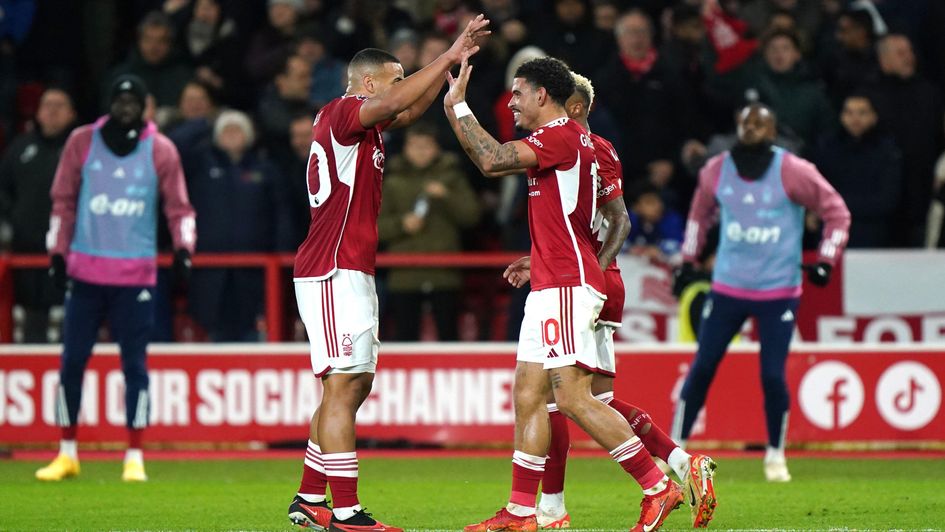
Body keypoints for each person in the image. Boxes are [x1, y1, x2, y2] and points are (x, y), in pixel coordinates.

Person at [445, 56, 683, 532]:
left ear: (542, 96)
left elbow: (492, 161)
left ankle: (658, 486)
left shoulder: (559, 136)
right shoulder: (565, 141)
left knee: (573, 397)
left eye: (517, 93)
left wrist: (457, 107)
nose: (510, 102)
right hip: (552, 280)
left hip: (568, 285)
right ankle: (520, 512)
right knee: (529, 396)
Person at [286, 15, 490, 532]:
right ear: (370, 83)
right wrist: (446, 54)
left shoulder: (358, 123)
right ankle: (348, 513)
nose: (400, 89)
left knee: (350, 386)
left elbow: (407, 108)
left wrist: (449, 86)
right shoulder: (345, 112)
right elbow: (397, 103)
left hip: (346, 266)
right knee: (343, 384)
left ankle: (311, 498)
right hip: (332, 267)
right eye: (395, 78)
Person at [502, 72, 718, 529]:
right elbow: (601, 220)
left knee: (566, 398)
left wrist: (587, 271)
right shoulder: (597, 150)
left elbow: (613, 223)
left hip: (582, 280)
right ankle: (680, 462)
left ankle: (556, 506)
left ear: (573, 106)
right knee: (591, 398)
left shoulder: (579, 145)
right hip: (587, 275)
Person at [671, 104, 850, 482]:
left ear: (773, 131)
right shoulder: (717, 168)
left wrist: (827, 259)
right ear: (737, 127)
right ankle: (675, 451)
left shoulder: (794, 170)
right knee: (702, 366)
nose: (751, 129)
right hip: (727, 286)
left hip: (778, 291)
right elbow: (698, 215)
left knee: (772, 375)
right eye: (745, 122)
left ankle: (775, 455)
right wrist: (688, 259)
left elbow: (837, 212)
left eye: (759, 123)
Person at [35, 75, 195, 482]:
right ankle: (67, 450)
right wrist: (57, 252)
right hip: (85, 272)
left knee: (135, 367)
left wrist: (183, 249)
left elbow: (180, 207)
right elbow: (62, 201)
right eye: (119, 99)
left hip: (135, 274)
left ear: (144, 106)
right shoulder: (81, 142)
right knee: (71, 362)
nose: (125, 107)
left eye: (133, 100)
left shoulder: (160, 150)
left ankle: (134, 455)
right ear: (109, 103)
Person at [184, 110, 293, 341]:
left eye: (238, 129)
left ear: (250, 135)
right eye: (226, 130)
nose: (232, 135)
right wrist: (203, 122)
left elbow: (281, 215)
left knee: (256, 333)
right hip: (211, 272)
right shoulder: (199, 168)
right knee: (213, 336)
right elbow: (177, 146)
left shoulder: (266, 170)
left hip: (256, 272)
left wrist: (282, 256)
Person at [377, 122, 480, 341]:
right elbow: (374, 227)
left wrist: (447, 196)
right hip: (404, 275)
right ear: (405, 148)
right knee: (405, 339)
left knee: (448, 338)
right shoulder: (392, 181)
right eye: (415, 146)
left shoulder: (452, 177)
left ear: (437, 148)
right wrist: (401, 224)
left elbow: (472, 217)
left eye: (426, 146)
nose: (421, 151)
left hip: (444, 274)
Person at [0, 87, 76, 342]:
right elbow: (3, 189)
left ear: (72, 113)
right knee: (31, 316)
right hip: (27, 249)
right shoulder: (20, 148)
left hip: (71, 250)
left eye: (59, 105)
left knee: (71, 316)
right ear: (38, 112)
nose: (52, 111)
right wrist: (14, 218)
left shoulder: (81, 150)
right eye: (47, 105)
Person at [812, 94, 900, 248]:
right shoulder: (827, 149)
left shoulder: (888, 152)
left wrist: (836, 205)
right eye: (849, 112)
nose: (855, 119)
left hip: (873, 236)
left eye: (862, 113)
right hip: (833, 234)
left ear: (874, 116)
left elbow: (886, 201)